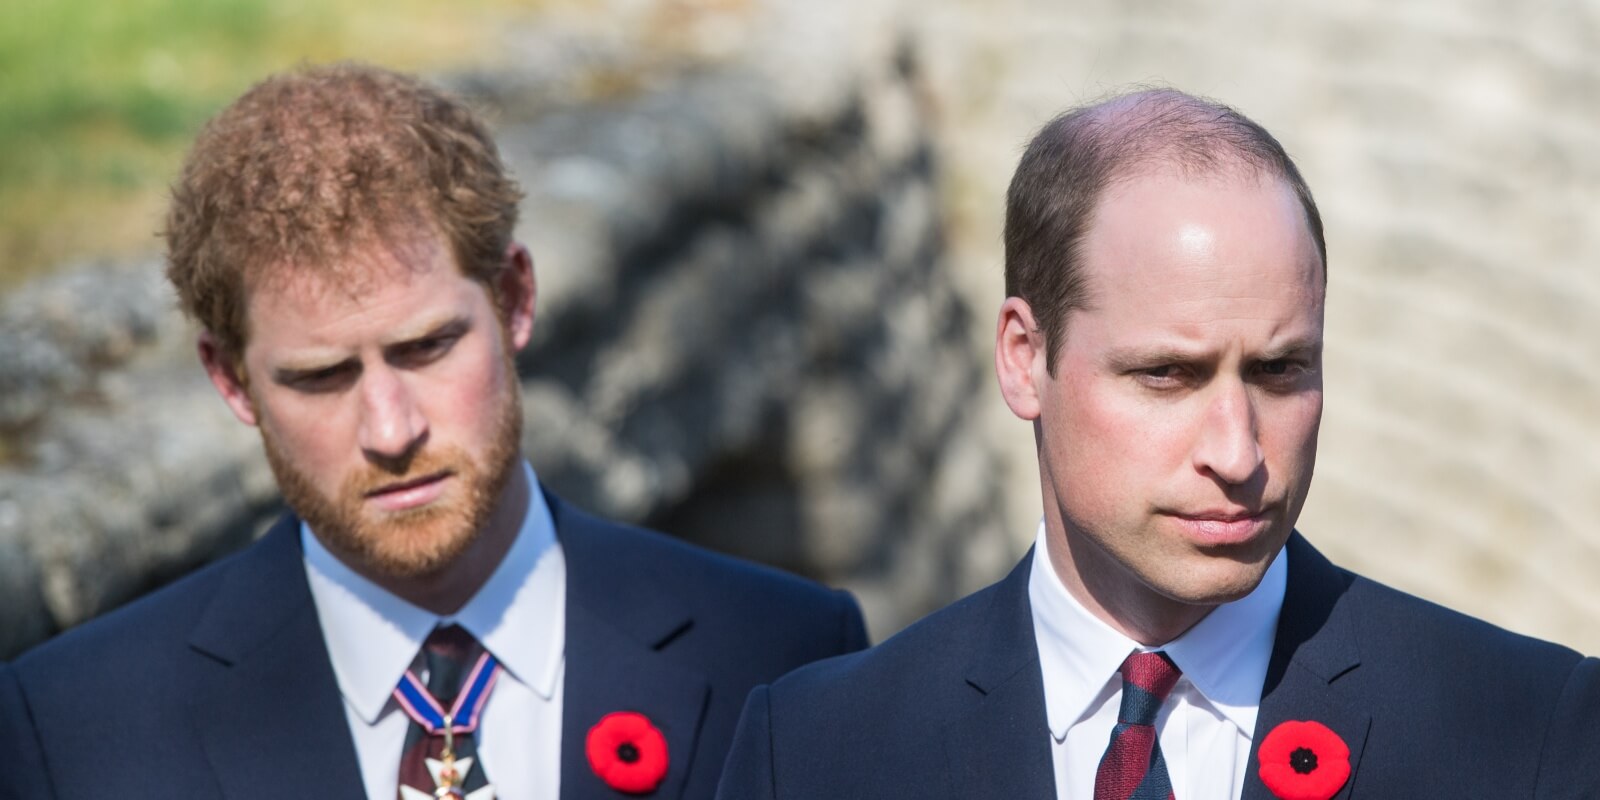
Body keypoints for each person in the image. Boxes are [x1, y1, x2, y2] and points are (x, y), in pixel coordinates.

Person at [0, 62, 866, 800]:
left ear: (516, 299)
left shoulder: (783, 653)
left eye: (427, 347)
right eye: (320, 376)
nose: (390, 428)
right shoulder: (76, 730)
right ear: (230, 379)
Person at [715, 88, 1600, 799]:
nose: (1239, 451)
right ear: (1026, 361)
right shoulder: (812, 752)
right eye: (1167, 376)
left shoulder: (1529, 729)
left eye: (1281, 370)